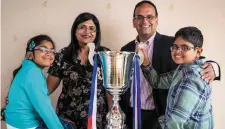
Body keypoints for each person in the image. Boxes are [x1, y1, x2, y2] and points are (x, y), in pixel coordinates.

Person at [120, 1, 221, 129]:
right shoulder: (125, 49)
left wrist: (214, 67)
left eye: (149, 17)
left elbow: (194, 61)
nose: (145, 21)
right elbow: (156, 81)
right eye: (139, 17)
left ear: (157, 20)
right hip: (132, 113)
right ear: (134, 21)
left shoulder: (171, 43)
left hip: (160, 116)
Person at [47, 12, 110, 129]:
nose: (87, 32)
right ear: (75, 31)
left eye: (92, 29)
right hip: (68, 118)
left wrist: (113, 113)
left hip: (97, 118)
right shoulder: (62, 55)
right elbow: (47, 89)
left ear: (96, 33)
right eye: (82, 27)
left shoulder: (105, 55)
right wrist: (22, 97)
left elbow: (110, 89)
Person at [141, 26, 214, 129]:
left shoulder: (192, 79)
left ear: (198, 52)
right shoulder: (183, 70)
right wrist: (146, 63)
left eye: (185, 47)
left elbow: (175, 123)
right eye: (175, 47)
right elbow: (157, 82)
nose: (177, 51)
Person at [4, 35, 64, 129]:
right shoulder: (33, 73)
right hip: (25, 125)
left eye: (52, 50)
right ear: (30, 55)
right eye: (43, 49)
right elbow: (44, 108)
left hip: (16, 122)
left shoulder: (28, 69)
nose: (49, 53)